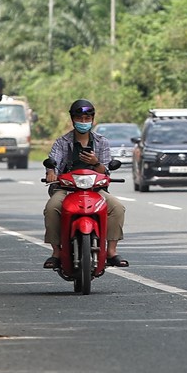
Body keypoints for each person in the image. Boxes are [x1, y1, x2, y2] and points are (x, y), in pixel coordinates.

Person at [43, 99, 128, 270]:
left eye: (87, 118)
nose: (83, 122)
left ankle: (111, 251)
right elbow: (53, 163)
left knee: (117, 207)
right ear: (72, 119)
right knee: (52, 208)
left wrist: (96, 163)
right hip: (66, 189)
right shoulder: (62, 142)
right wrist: (51, 172)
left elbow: (106, 170)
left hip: (95, 190)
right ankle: (56, 252)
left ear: (92, 119)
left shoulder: (101, 142)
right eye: (79, 118)